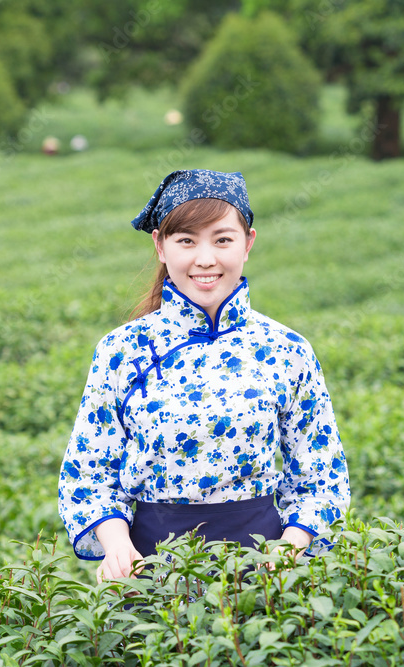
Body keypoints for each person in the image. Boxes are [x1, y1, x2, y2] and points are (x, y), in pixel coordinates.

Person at [58, 169, 350, 582]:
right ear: (160, 245)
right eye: (186, 240)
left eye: (223, 239)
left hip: (265, 571)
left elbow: (321, 474)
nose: (206, 258)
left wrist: (290, 548)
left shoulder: (287, 350)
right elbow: (89, 471)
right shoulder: (122, 351)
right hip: (150, 568)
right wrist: (117, 544)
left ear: (248, 244)